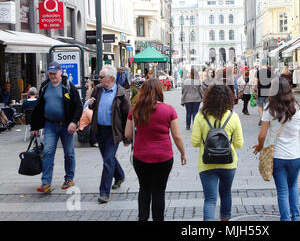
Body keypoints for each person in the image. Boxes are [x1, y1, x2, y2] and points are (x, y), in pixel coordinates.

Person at [253, 77, 300, 221]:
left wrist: (260, 146)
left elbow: (262, 134)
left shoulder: (269, 109)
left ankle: (285, 219)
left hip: (277, 156)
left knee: (282, 190)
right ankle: (296, 217)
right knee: (293, 185)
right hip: (296, 155)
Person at [125, 78, 187, 221]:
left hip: (140, 157)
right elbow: (177, 136)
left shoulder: (135, 110)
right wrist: (183, 153)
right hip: (163, 157)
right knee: (159, 191)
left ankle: (143, 218)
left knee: (144, 189)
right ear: (160, 91)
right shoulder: (169, 110)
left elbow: (128, 134)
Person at [191, 85, 244, 221]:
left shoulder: (200, 116)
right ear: (229, 99)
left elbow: (195, 142)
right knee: (226, 194)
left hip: (206, 163)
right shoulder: (233, 117)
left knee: (210, 199)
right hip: (228, 163)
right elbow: (239, 143)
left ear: (208, 98)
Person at [30, 61, 82, 193]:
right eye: (50, 73)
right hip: (50, 125)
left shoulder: (68, 86)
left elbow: (78, 106)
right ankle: (46, 182)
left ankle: (69, 178)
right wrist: (35, 127)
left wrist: (74, 122)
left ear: (60, 72)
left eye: (55, 73)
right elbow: (38, 107)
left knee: (69, 154)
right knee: (47, 152)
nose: (52, 76)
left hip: (66, 125)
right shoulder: (44, 86)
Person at [88, 65, 131, 204]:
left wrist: (126, 137)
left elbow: (127, 116)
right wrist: (90, 104)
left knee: (107, 160)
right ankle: (120, 175)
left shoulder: (121, 93)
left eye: (101, 77)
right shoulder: (97, 90)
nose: (98, 79)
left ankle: (104, 193)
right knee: (109, 158)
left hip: (114, 132)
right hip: (100, 130)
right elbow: (91, 106)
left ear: (110, 78)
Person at [254, 58, 272, 126]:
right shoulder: (270, 72)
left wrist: (255, 91)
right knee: (268, 106)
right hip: (268, 92)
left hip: (260, 92)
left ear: (262, 64)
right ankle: (268, 119)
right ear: (267, 64)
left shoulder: (258, 72)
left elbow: (255, 83)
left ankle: (262, 118)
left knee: (259, 105)